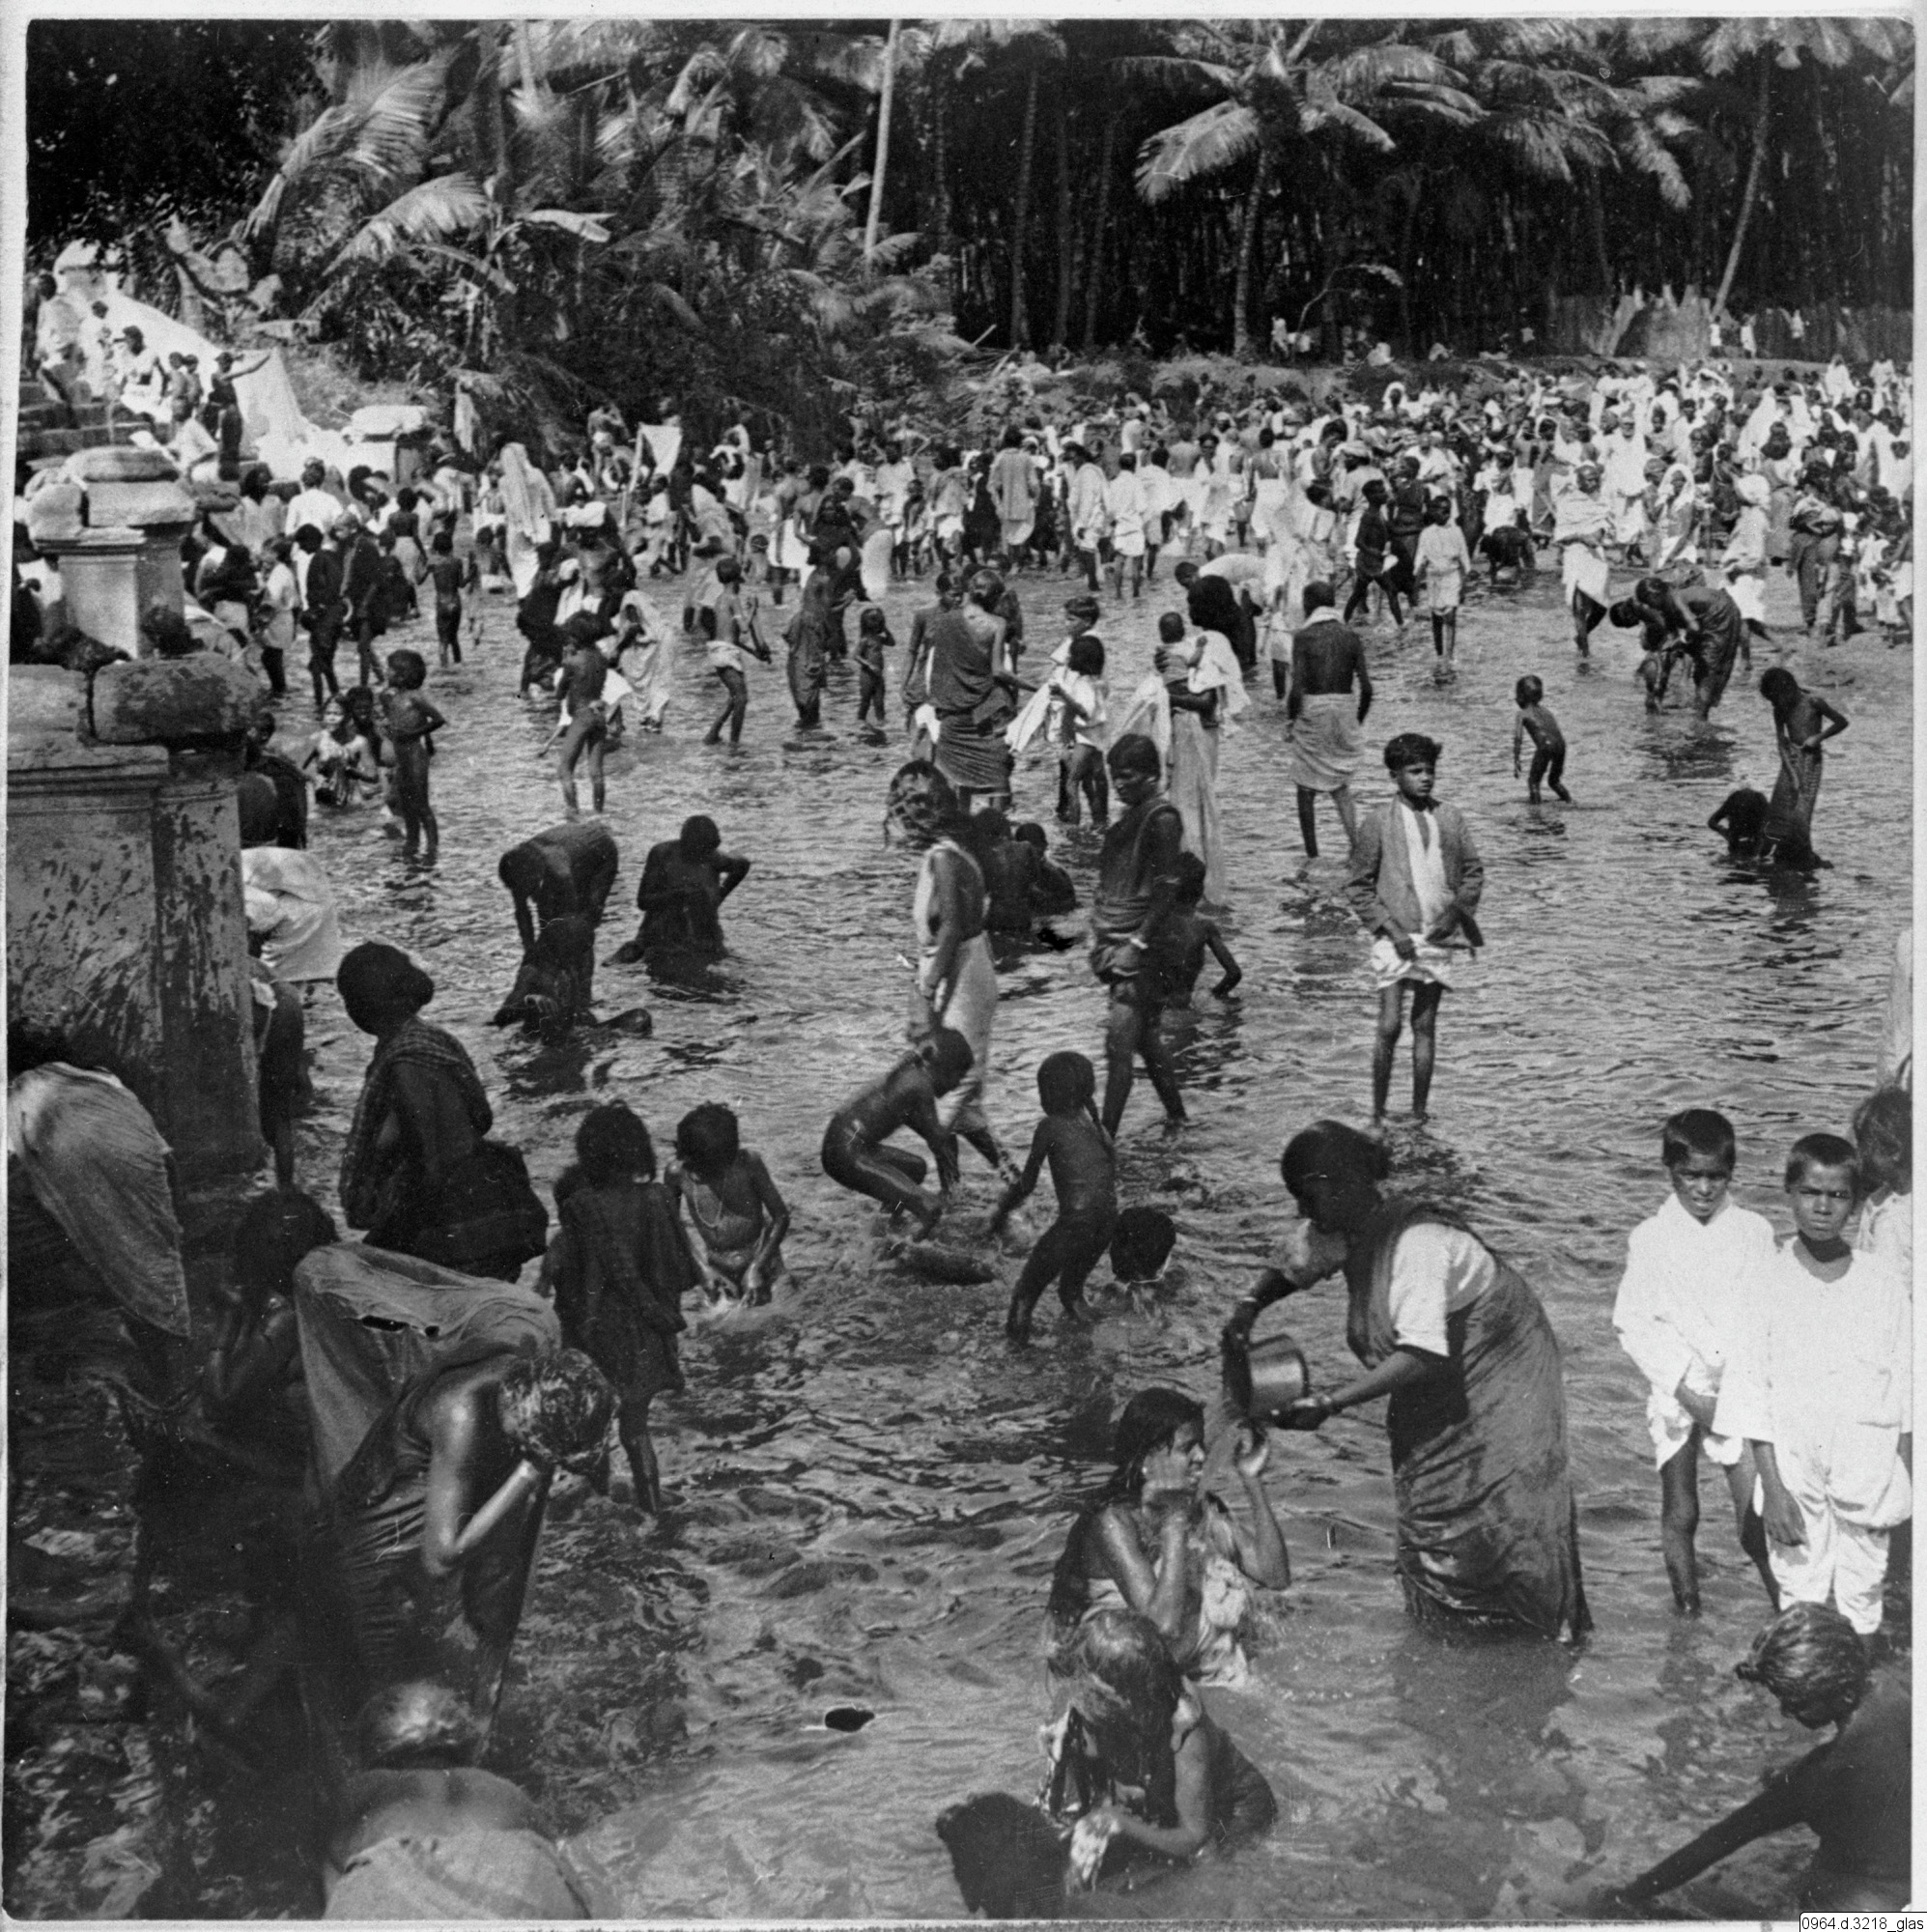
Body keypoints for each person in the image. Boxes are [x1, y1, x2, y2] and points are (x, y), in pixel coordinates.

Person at [1231, 1121, 1591, 1640]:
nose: (1303, 1213)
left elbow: (1420, 1354)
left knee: (1507, 1514)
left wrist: (1330, 1402)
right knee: (1432, 1509)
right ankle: (1450, 1642)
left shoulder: (1417, 1243)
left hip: (1501, 1371)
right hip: (1434, 1374)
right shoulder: (1343, 1226)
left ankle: (1537, 1647)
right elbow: (1292, 1267)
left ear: (1344, 1185)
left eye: (1309, 1198)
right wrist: (1247, 1310)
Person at [1713, 1133, 1911, 1637]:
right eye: (1810, 1192)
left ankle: (1862, 1679)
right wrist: (1773, 1491)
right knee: (1799, 1600)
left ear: (1856, 1202)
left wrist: (1905, 1481)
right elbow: (1749, 1394)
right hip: (1794, 1471)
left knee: (1863, 1600)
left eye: (1838, 1195)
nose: (1823, 1207)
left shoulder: (1881, 1283)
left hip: (1867, 1469)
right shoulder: (1764, 1281)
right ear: (1789, 1194)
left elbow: (1908, 1391)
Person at [1608, 1604, 1910, 1913]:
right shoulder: (1903, 1693)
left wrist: (1628, 1896)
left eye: (1796, 1703)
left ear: (1841, 1694)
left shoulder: (1819, 1776)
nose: (1786, 1712)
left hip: (1857, 1912)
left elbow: (1718, 1841)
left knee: (1704, 1898)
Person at [1612, 1108, 1780, 1615]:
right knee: (1681, 1510)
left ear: (1731, 1173)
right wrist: (1686, 1391)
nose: (1704, 1188)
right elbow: (1633, 1324)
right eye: (1691, 1175)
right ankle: (1687, 1611)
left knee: (1756, 1518)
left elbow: (1767, 1313)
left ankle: (1787, 1610)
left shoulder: (1753, 1231)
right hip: (1680, 1383)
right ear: (1670, 1170)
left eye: (1716, 1176)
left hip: (1739, 1387)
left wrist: (1743, 1392)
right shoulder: (1650, 1237)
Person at [1045, 1388, 1289, 1687]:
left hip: (1180, 1661)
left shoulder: (1202, 1506)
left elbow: (1275, 1576)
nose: (1201, 1456)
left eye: (1201, 1444)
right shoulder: (1113, 1523)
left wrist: (1252, 1480)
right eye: (1187, 1448)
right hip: (1119, 1673)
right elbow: (1161, 1628)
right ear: (1148, 1459)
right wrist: (1175, 1519)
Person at [335, 943, 546, 1282]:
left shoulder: (404, 1064)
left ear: (360, 1007)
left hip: (450, 1217)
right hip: (483, 1199)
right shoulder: (435, 1042)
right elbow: (481, 1119)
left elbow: (428, 1160)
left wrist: (397, 1235)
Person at [1044, 1610, 1277, 1887]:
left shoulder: (1185, 1727)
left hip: (1230, 1811)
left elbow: (1194, 1836)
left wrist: (1121, 1823)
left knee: (1201, 1865)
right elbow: (1064, 1810)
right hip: (1164, 1798)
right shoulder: (1085, 1700)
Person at [325, 1683, 595, 1919]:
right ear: (465, 1742)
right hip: (516, 1891)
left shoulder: (362, 1789)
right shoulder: (501, 1789)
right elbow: (561, 1863)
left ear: (372, 1747)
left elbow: (329, 1886)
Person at [539, 1104, 695, 1513]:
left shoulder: (583, 1207)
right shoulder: (658, 1199)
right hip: (646, 1335)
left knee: (596, 1427)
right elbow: (677, 1270)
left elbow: (586, 1277)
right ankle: (652, 1509)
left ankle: (602, 1499)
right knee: (636, 1430)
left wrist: (580, 1331)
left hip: (600, 1333)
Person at [1346, 733, 1485, 1125]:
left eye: (1430, 771)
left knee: (1424, 1025)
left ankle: (1419, 1113)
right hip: (1396, 934)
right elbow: (1357, 885)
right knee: (1389, 1024)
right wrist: (1392, 930)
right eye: (1415, 771)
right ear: (1394, 775)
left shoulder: (1450, 817)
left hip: (1437, 932)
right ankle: (1377, 1112)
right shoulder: (1378, 821)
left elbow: (1473, 872)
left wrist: (1454, 915)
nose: (1425, 778)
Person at [900, 775, 1008, 1177]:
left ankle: (942, 1196)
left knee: (945, 1096)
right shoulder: (953, 852)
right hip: (964, 974)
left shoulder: (944, 858)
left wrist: (926, 991)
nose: (908, 816)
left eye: (917, 806)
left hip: (962, 982)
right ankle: (1007, 1179)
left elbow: (950, 929)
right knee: (959, 1102)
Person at [1090, 735, 1188, 1137]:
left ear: (1151, 776)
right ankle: (1178, 1118)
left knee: (1118, 1050)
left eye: (1127, 776)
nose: (1118, 784)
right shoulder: (1137, 816)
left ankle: (1105, 1140)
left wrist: (1138, 943)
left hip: (1140, 946)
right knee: (1146, 1040)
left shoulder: (1161, 819)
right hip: (1122, 941)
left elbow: (1168, 887)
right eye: (1114, 776)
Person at [990, 1052, 1118, 1342]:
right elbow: (1106, 1178)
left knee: (1025, 1294)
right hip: (1106, 1225)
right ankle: (1088, 1340)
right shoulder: (1098, 1129)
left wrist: (1000, 1213)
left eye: (1041, 1091)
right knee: (1072, 1293)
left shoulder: (1049, 1126)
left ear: (1051, 1094)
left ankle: (1017, 1353)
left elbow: (1027, 1184)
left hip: (1075, 1226)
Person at [820, 1028, 972, 1237]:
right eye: (959, 1078)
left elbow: (930, 1134)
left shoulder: (912, 1074)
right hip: (846, 1155)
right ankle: (894, 1249)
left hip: (842, 1148)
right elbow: (937, 1140)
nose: (956, 1086)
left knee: (915, 1169)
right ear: (945, 1068)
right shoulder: (921, 1086)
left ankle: (886, 1228)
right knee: (931, 1209)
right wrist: (961, 1106)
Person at [668, 1103, 792, 1305]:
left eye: (712, 1171)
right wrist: (701, 1269)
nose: (701, 1176)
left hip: (764, 1261)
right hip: (718, 1270)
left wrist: (756, 1267)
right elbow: (671, 1223)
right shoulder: (678, 1174)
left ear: (730, 1157)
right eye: (698, 1170)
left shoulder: (748, 1163)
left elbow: (781, 1217)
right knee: (715, 1322)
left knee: (783, 1312)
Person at [1285, 582, 1372, 860]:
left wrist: (1290, 720)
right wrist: (1356, 720)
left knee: (1305, 787)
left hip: (1313, 707)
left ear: (1308, 605)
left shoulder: (1303, 637)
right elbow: (1367, 689)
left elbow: (1297, 688)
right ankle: (1356, 847)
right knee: (1340, 782)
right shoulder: (1350, 635)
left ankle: (1312, 856)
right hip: (1345, 706)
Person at [612, 816, 750, 962]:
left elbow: (743, 865)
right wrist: (677, 895)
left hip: (702, 934)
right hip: (662, 932)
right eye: (701, 852)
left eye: (709, 851)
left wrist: (717, 898)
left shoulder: (713, 857)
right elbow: (643, 902)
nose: (703, 857)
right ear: (686, 843)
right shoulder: (663, 854)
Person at [1758, 667, 1848, 869]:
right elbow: (1781, 743)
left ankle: (1801, 856)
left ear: (1787, 690)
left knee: (1802, 811)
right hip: (1790, 761)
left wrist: (1819, 737)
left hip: (1811, 762)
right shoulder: (1779, 709)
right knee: (1779, 808)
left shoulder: (1814, 702)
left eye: (1776, 699)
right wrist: (1792, 774)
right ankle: (1766, 852)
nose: (1775, 704)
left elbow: (1842, 722)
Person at [497, 821, 619, 959]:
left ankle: (579, 964)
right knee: (548, 918)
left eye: (527, 889)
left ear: (535, 876)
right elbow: (522, 912)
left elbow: (571, 916)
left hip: (602, 851)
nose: (525, 894)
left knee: (585, 917)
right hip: (572, 843)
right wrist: (529, 950)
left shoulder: (559, 871)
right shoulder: (517, 867)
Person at [1148, 853, 1241, 1007]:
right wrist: (1213, 994)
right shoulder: (1205, 927)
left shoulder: (1153, 925)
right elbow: (1234, 973)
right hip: (1186, 1009)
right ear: (1200, 891)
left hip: (1152, 1009)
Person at [379, 649, 445, 864]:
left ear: (402, 674)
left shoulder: (415, 697)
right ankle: (412, 842)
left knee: (421, 805)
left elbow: (438, 720)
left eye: (390, 669)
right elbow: (392, 720)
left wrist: (413, 734)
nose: (385, 671)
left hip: (415, 755)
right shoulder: (391, 696)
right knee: (406, 804)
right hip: (401, 756)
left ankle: (432, 847)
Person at [700, 555, 770, 746]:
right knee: (742, 698)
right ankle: (734, 743)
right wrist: (753, 609)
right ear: (736, 580)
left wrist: (753, 653)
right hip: (727, 653)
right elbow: (744, 628)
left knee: (734, 698)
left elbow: (733, 637)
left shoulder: (718, 600)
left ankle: (713, 734)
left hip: (718, 650)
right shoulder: (733, 599)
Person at [549, 615, 609, 820]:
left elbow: (559, 694)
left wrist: (565, 660)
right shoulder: (601, 659)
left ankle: (573, 812)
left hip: (581, 717)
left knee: (565, 769)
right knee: (596, 771)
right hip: (599, 716)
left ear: (576, 637)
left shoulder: (573, 662)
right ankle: (599, 813)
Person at [1850, 1087, 1911, 1284]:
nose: (1860, 1155)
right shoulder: (1878, 1199)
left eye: (1866, 1146)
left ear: (1895, 1151)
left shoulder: (1897, 1218)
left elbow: (1890, 1285)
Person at [1552, 461, 1612, 656]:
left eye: (1596, 479)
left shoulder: (1603, 500)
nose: (1594, 483)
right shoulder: (1567, 503)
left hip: (1596, 555)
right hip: (1576, 554)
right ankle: (1585, 651)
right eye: (1589, 480)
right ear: (1579, 482)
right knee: (1578, 604)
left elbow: (1608, 524)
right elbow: (1560, 534)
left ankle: (1581, 636)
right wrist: (1581, 537)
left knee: (1601, 605)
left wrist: (1600, 533)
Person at [1413, 494, 1471, 665]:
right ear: (1433, 512)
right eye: (1442, 511)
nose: (1446, 514)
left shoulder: (1456, 531)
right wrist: (1415, 587)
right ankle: (1439, 653)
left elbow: (1464, 557)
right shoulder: (1426, 533)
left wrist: (1464, 585)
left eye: (1448, 511)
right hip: (1434, 579)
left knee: (1450, 616)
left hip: (1452, 576)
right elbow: (1420, 559)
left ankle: (1450, 655)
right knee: (1436, 617)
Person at [1511, 676, 1573, 805]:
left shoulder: (1522, 714)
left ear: (1521, 696)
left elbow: (1518, 738)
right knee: (1554, 781)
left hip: (1545, 746)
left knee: (1533, 782)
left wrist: (1516, 759)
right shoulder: (1547, 711)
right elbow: (1555, 731)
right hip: (1561, 746)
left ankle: (1536, 810)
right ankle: (1569, 801)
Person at [854, 604, 894, 731]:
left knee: (879, 700)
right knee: (865, 699)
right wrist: (869, 665)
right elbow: (855, 655)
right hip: (867, 675)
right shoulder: (865, 640)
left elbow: (892, 642)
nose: (876, 625)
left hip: (878, 674)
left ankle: (881, 720)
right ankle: (861, 719)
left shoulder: (879, 638)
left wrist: (885, 629)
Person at [1708, 787, 1771, 859]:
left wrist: (1724, 832)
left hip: (1735, 841)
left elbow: (1712, 822)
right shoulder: (1761, 802)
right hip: (1754, 842)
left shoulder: (1734, 800)